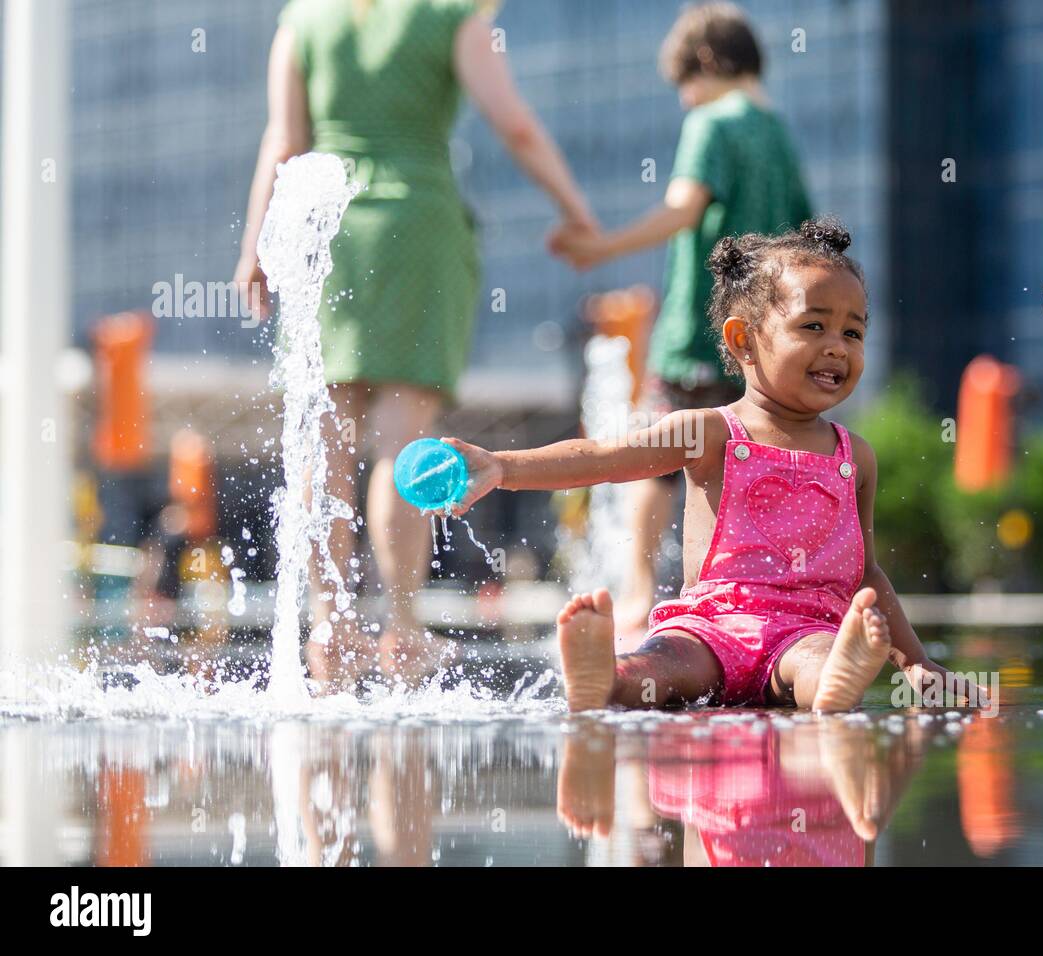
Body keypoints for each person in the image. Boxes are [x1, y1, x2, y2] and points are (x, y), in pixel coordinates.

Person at [446, 218, 981, 712]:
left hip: (806, 631)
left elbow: (865, 570)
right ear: (743, 341)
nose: (837, 348)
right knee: (666, 665)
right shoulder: (710, 431)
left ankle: (835, 683)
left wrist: (917, 663)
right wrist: (502, 465)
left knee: (819, 657)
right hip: (713, 628)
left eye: (853, 332)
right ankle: (607, 677)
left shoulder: (854, 455)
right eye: (814, 327)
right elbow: (607, 459)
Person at [236, 0, 596, 691]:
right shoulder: (451, 11)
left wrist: (254, 248)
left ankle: (329, 625)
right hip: (416, 220)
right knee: (401, 442)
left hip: (327, 223)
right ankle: (403, 626)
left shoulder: (305, 18)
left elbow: (283, 141)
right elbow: (513, 122)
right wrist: (577, 213)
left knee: (326, 443)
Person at [548, 2, 814, 647]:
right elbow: (808, 238)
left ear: (702, 63)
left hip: (700, 334)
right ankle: (758, 603)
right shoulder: (779, 133)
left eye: (682, 84)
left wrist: (601, 248)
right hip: (765, 343)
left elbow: (681, 208)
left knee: (657, 463)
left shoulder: (712, 122)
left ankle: (639, 601)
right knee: (755, 466)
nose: (682, 99)